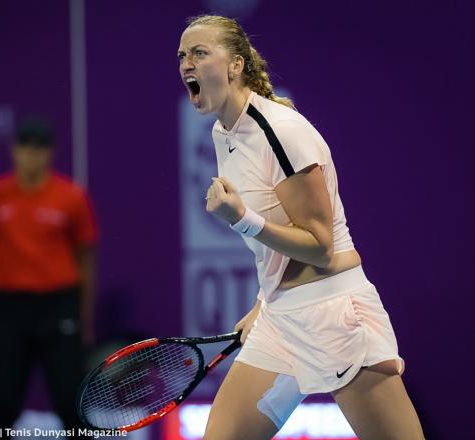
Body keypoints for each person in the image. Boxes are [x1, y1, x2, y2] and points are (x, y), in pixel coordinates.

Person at [178, 15, 424, 440]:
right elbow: (276, 238)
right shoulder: (224, 132)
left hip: (333, 316)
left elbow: (318, 247)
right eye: (182, 55)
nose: (186, 64)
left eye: (200, 53)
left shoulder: (281, 130)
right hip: (280, 321)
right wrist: (262, 301)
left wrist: (242, 218)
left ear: (236, 65)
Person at [0, 117, 97, 434]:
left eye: (39, 148)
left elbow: (85, 257)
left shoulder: (70, 196)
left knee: (71, 397)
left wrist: (82, 313)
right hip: (10, 307)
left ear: (50, 153)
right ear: (13, 151)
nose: (32, 155)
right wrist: (1, 294)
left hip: (58, 305)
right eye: (25, 147)